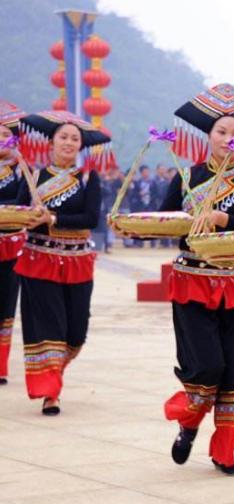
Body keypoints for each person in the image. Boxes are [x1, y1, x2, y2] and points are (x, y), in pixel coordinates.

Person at [160, 83, 234, 475]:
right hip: (193, 281)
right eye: (222, 132)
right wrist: (190, 223)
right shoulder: (187, 176)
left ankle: (224, 451)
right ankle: (189, 421)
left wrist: (223, 220)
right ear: (208, 137)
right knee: (207, 366)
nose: (229, 139)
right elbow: (165, 221)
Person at [15, 110, 111, 415]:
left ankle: (55, 373)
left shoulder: (87, 178)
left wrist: (53, 218)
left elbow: (91, 218)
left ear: (80, 146)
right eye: (63, 137)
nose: (69, 142)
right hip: (39, 259)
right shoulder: (34, 177)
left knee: (76, 332)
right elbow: (18, 212)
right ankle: (50, 392)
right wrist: (31, 217)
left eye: (74, 138)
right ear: (51, 142)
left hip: (77, 261)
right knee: (50, 326)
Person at [0, 100, 27, 384]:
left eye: (4, 136)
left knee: (6, 307)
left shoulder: (21, 170)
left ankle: (1, 365)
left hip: (11, 244)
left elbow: (21, 203)